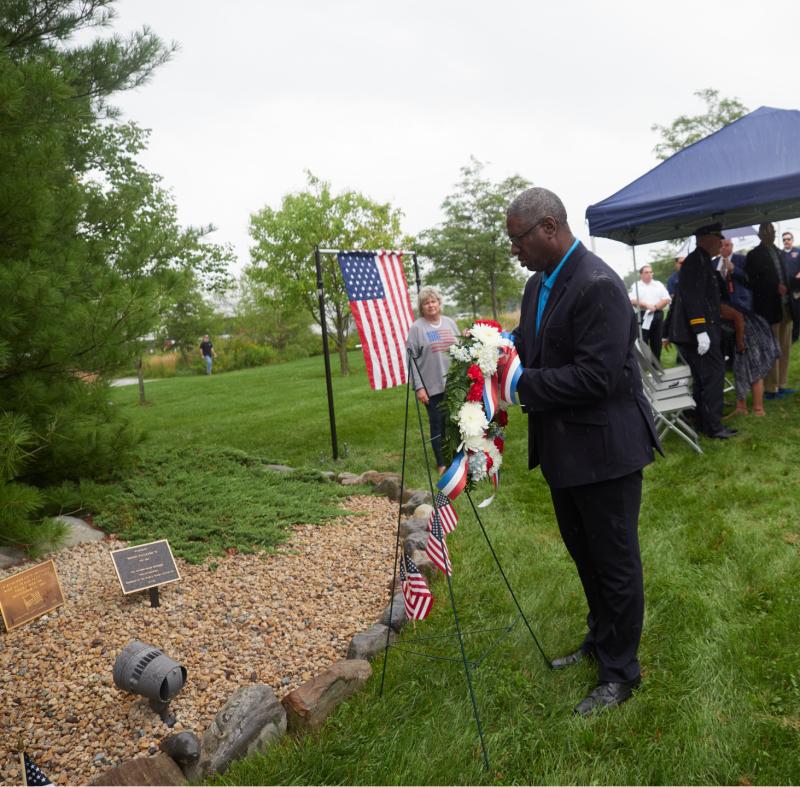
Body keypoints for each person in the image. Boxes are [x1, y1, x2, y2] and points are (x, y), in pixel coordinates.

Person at [506, 187, 660, 717]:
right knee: (585, 555)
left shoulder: (598, 284)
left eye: (519, 240)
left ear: (549, 227)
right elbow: (533, 344)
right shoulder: (537, 284)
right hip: (564, 452)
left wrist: (521, 385)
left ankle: (621, 672)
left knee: (615, 562)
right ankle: (601, 639)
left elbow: (596, 377)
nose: (516, 251)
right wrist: (494, 353)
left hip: (606, 450)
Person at [668, 224, 735, 439]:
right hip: (698, 333)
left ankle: (704, 421)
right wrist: (700, 330)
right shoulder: (696, 262)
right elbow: (693, 298)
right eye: (718, 238)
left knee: (704, 379)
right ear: (705, 238)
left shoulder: (702, 260)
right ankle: (713, 427)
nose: (720, 242)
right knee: (713, 377)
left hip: (701, 331)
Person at [406, 286, 458, 474]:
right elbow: (411, 361)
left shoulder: (450, 323)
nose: (430, 305)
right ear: (421, 307)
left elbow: (460, 350)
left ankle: (456, 456)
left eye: (433, 301)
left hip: (454, 384)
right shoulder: (417, 329)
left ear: (439, 303)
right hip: (431, 387)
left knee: (455, 422)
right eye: (426, 303)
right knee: (438, 425)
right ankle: (442, 463)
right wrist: (419, 387)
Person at [745, 223, 796, 399]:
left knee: (785, 347)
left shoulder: (780, 252)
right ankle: (770, 388)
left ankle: (781, 384)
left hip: (786, 306)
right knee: (771, 348)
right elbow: (751, 282)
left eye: (773, 231)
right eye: (767, 232)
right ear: (760, 235)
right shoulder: (754, 255)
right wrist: (774, 287)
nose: (771, 234)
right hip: (768, 308)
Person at [628, 264, 671, 361]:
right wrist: (646, 305)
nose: (649, 274)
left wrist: (655, 307)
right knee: (643, 340)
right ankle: (646, 364)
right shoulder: (636, 286)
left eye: (651, 272)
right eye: (646, 272)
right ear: (641, 274)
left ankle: (656, 364)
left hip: (657, 314)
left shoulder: (658, 284)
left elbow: (666, 298)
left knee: (657, 340)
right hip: (642, 315)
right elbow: (632, 300)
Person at [715, 238, 751, 312]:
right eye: (721, 246)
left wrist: (734, 269)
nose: (724, 247)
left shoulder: (743, 259)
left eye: (727, 245)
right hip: (721, 304)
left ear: (732, 246)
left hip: (740, 303)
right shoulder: (713, 263)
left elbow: (748, 279)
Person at [781, 230, 800, 343]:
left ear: (792, 240)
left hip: (796, 287)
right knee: (786, 312)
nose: (786, 241)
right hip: (784, 288)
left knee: (797, 312)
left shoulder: (798, 252)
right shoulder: (780, 254)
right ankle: (786, 334)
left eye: (788, 239)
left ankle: (795, 336)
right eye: (784, 240)